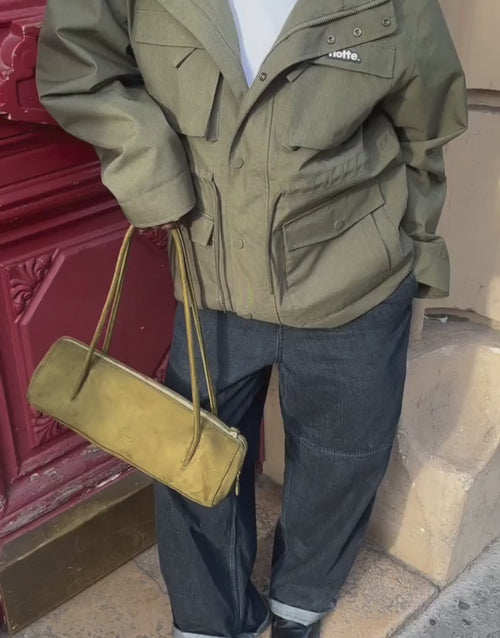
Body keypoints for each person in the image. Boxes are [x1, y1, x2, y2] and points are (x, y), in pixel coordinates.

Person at [36, 1, 467, 636]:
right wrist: (147, 164)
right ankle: (208, 621)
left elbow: (426, 128)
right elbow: (77, 64)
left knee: (342, 459)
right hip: (212, 277)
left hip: (354, 280)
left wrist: (415, 258)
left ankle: (300, 605)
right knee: (186, 460)